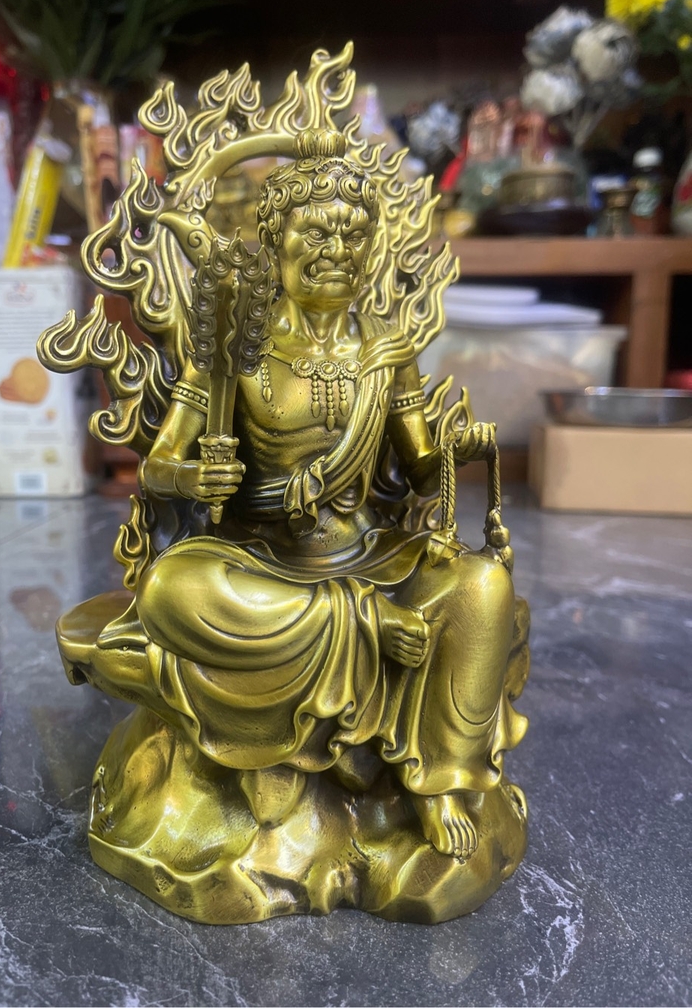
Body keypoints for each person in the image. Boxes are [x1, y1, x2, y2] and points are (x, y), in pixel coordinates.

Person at [109, 130, 520, 861]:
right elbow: (160, 464)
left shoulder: (386, 348)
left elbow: (420, 466)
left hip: (366, 549)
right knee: (172, 588)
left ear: (372, 250)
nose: (337, 250)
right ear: (275, 243)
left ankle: (440, 780)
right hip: (262, 558)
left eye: (353, 236)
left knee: (483, 586)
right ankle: (364, 628)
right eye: (317, 232)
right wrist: (190, 479)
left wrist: (456, 447)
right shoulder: (235, 344)